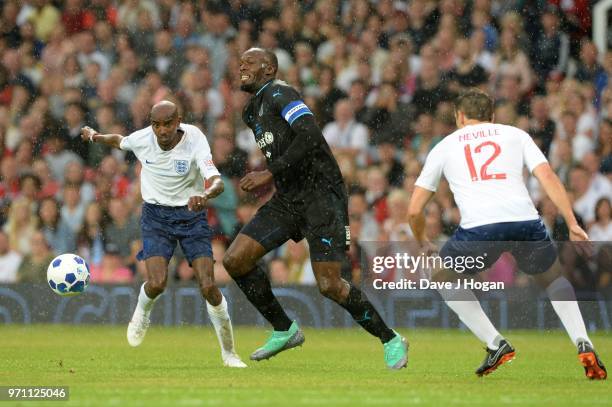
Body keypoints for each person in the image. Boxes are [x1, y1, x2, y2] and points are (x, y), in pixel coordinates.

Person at [223, 48, 407, 369]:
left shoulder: (281, 92)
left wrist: (269, 172)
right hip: (288, 198)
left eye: (249, 62)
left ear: (268, 70)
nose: (241, 65)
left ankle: (390, 339)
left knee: (330, 286)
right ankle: (284, 329)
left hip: (322, 197)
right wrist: (272, 175)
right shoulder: (251, 111)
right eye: (240, 61)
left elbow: (309, 134)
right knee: (235, 260)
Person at [408, 89, 606, 380]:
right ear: (491, 116)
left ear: (460, 117)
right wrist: (572, 221)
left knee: (440, 274)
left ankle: (495, 343)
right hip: (524, 221)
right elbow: (548, 176)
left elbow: (414, 211)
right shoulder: (516, 134)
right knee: (553, 279)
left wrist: (422, 241)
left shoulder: (444, 146)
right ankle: (582, 341)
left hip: (480, 229)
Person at [80, 100, 246, 368]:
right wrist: (95, 136)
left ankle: (229, 353)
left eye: (167, 124)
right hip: (156, 216)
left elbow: (215, 179)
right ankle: (141, 313)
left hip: (191, 215)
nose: (162, 130)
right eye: (156, 124)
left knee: (208, 287)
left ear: (178, 121)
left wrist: (204, 195)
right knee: (157, 283)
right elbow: (120, 141)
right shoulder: (143, 138)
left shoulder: (195, 139)